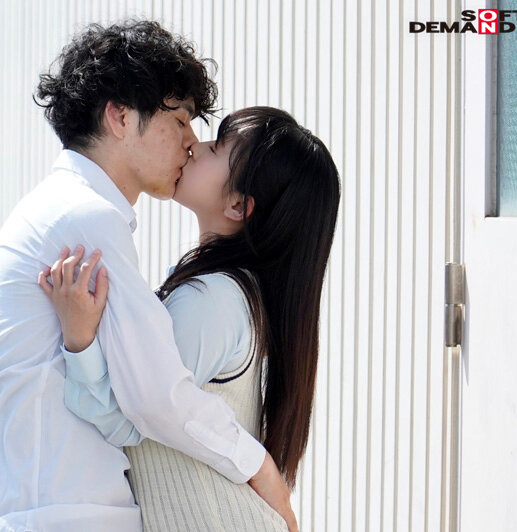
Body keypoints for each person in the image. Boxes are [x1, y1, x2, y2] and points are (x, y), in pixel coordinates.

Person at [0, 21, 294, 532]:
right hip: (62, 515)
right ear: (120, 116)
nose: (191, 142)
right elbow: (156, 395)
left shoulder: (63, 209)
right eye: (179, 120)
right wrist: (260, 466)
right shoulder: (86, 217)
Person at [39, 106, 340, 531]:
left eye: (216, 148)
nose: (194, 145)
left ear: (238, 205)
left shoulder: (214, 299)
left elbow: (128, 417)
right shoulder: (228, 294)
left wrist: (79, 338)